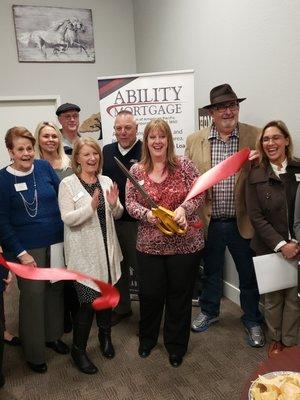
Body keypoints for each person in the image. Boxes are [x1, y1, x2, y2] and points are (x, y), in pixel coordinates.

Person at [185, 83, 265, 347]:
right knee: (210, 271)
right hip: (209, 222)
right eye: (221, 107)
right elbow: (188, 180)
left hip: (242, 222)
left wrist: (259, 164)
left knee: (248, 274)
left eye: (232, 105)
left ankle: (252, 319)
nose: (228, 111)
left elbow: (271, 170)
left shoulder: (256, 136)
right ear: (212, 113)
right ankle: (209, 311)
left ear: (238, 108)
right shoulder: (194, 140)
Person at [126, 118, 204, 368]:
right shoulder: (136, 170)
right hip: (149, 246)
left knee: (179, 297)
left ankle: (176, 346)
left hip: (185, 244)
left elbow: (200, 191)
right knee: (150, 295)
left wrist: (184, 209)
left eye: (162, 136)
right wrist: (147, 215)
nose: (157, 141)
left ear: (169, 140)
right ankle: (147, 340)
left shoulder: (184, 166)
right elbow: (130, 203)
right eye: (152, 137)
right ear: (146, 141)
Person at [0, 127, 69, 374]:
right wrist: (20, 252)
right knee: (33, 297)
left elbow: (64, 194)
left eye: (29, 148)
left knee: (55, 291)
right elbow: (2, 222)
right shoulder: (3, 179)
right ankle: (34, 352)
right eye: (21, 149)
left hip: (57, 241)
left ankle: (52, 337)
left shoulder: (43, 168)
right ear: (11, 151)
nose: (27, 153)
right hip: (27, 249)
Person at [58, 137, 123, 374]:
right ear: (77, 158)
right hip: (84, 256)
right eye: (86, 154)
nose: (92, 158)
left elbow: (116, 215)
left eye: (95, 154)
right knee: (87, 304)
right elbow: (67, 219)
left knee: (106, 299)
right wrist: (90, 208)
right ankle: (79, 350)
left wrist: (115, 205)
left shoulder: (105, 180)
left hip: (107, 252)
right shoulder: (68, 184)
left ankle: (105, 338)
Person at [246, 120, 300, 357]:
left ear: (286, 140)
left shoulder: (298, 169)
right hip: (269, 247)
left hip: (298, 247)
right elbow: (255, 217)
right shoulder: (256, 173)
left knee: (294, 299)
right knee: (273, 299)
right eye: (266, 139)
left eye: (276, 137)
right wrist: (281, 245)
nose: (270, 143)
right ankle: (275, 340)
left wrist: (295, 244)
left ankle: (290, 341)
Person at [34, 121, 79, 332]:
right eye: (45, 136)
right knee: (55, 277)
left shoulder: (69, 162)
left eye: (54, 136)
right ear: (38, 140)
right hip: (49, 229)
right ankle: (59, 318)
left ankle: (74, 312)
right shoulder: (32, 164)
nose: (50, 140)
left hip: (72, 226)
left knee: (73, 273)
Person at [102, 110, 142, 326]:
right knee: (117, 268)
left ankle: (148, 314)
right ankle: (123, 307)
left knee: (143, 270)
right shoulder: (106, 151)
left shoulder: (145, 149)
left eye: (128, 127)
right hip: (112, 220)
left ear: (136, 129)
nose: (123, 132)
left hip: (139, 223)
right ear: (114, 130)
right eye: (119, 128)